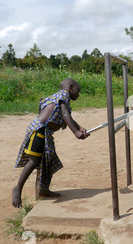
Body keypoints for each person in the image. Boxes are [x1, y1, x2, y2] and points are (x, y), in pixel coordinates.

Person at [12, 78, 90, 208]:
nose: (78, 94)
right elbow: (65, 114)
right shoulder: (63, 95)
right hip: (39, 131)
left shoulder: (60, 98)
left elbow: (68, 117)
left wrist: (79, 127)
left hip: (45, 133)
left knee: (47, 161)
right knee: (34, 161)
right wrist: (76, 132)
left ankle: (43, 190)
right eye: (78, 91)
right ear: (70, 87)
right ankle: (18, 188)